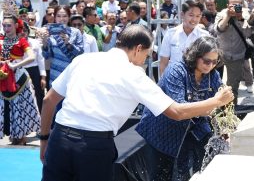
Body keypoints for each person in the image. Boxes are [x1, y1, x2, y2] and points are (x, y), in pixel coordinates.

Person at [39, 25, 234, 181]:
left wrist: (45, 139)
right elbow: (177, 111)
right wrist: (215, 101)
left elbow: (48, 101)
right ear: (138, 49)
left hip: (59, 138)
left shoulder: (83, 60)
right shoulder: (134, 75)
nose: (144, 61)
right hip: (94, 146)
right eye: (146, 56)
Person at [136, 36, 224, 181]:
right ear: (195, 55)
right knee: (162, 176)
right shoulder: (176, 70)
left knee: (198, 170)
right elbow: (180, 111)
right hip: (162, 130)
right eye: (207, 61)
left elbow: (221, 104)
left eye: (215, 62)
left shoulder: (213, 75)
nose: (210, 65)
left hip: (193, 129)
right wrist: (214, 102)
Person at [0, 15, 40, 145]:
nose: (6, 28)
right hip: (2, 77)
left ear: (16, 26)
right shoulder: (0, 40)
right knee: (4, 107)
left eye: (9, 25)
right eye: (4, 25)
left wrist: (14, 65)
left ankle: (19, 136)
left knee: (19, 107)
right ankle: (11, 133)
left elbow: (32, 57)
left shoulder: (21, 41)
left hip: (18, 78)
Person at [215, 0, 253, 103]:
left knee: (232, 85)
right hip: (221, 53)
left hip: (237, 55)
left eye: (238, 4)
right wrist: (227, 16)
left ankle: (231, 110)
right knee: (215, 83)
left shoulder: (246, 14)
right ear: (228, 5)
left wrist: (240, 18)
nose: (236, 7)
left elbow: (248, 33)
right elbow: (218, 30)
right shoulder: (221, 14)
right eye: (233, 4)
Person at [159, 0, 209, 75]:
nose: (194, 19)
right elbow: (163, 62)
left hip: (196, 82)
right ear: (182, 15)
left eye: (198, 16)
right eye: (191, 15)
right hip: (174, 80)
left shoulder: (204, 36)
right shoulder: (171, 34)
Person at [20, 22, 46, 113]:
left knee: (39, 93)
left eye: (25, 30)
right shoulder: (15, 43)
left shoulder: (35, 42)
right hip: (21, 71)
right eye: (21, 30)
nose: (23, 32)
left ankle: (41, 115)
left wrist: (43, 77)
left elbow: (41, 59)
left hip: (35, 71)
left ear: (28, 31)